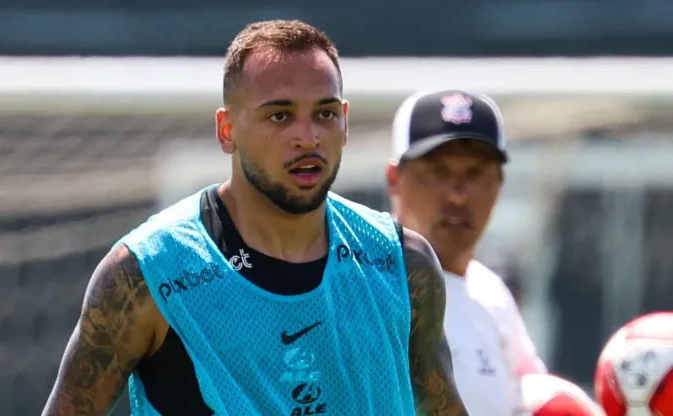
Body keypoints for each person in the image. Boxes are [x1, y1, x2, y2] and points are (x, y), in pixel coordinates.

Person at [42, 20, 468, 416]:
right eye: (279, 116)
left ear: (345, 121)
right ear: (227, 131)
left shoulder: (402, 264)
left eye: (325, 113)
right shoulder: (148, 274)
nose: (308, 137)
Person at [386, 89, 547, 416]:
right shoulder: (370, 285)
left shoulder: (492, 294)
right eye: (438, 172)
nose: (458, 195)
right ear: (394, 180)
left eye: (474, 174)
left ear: (499, 184)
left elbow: (532, 396)